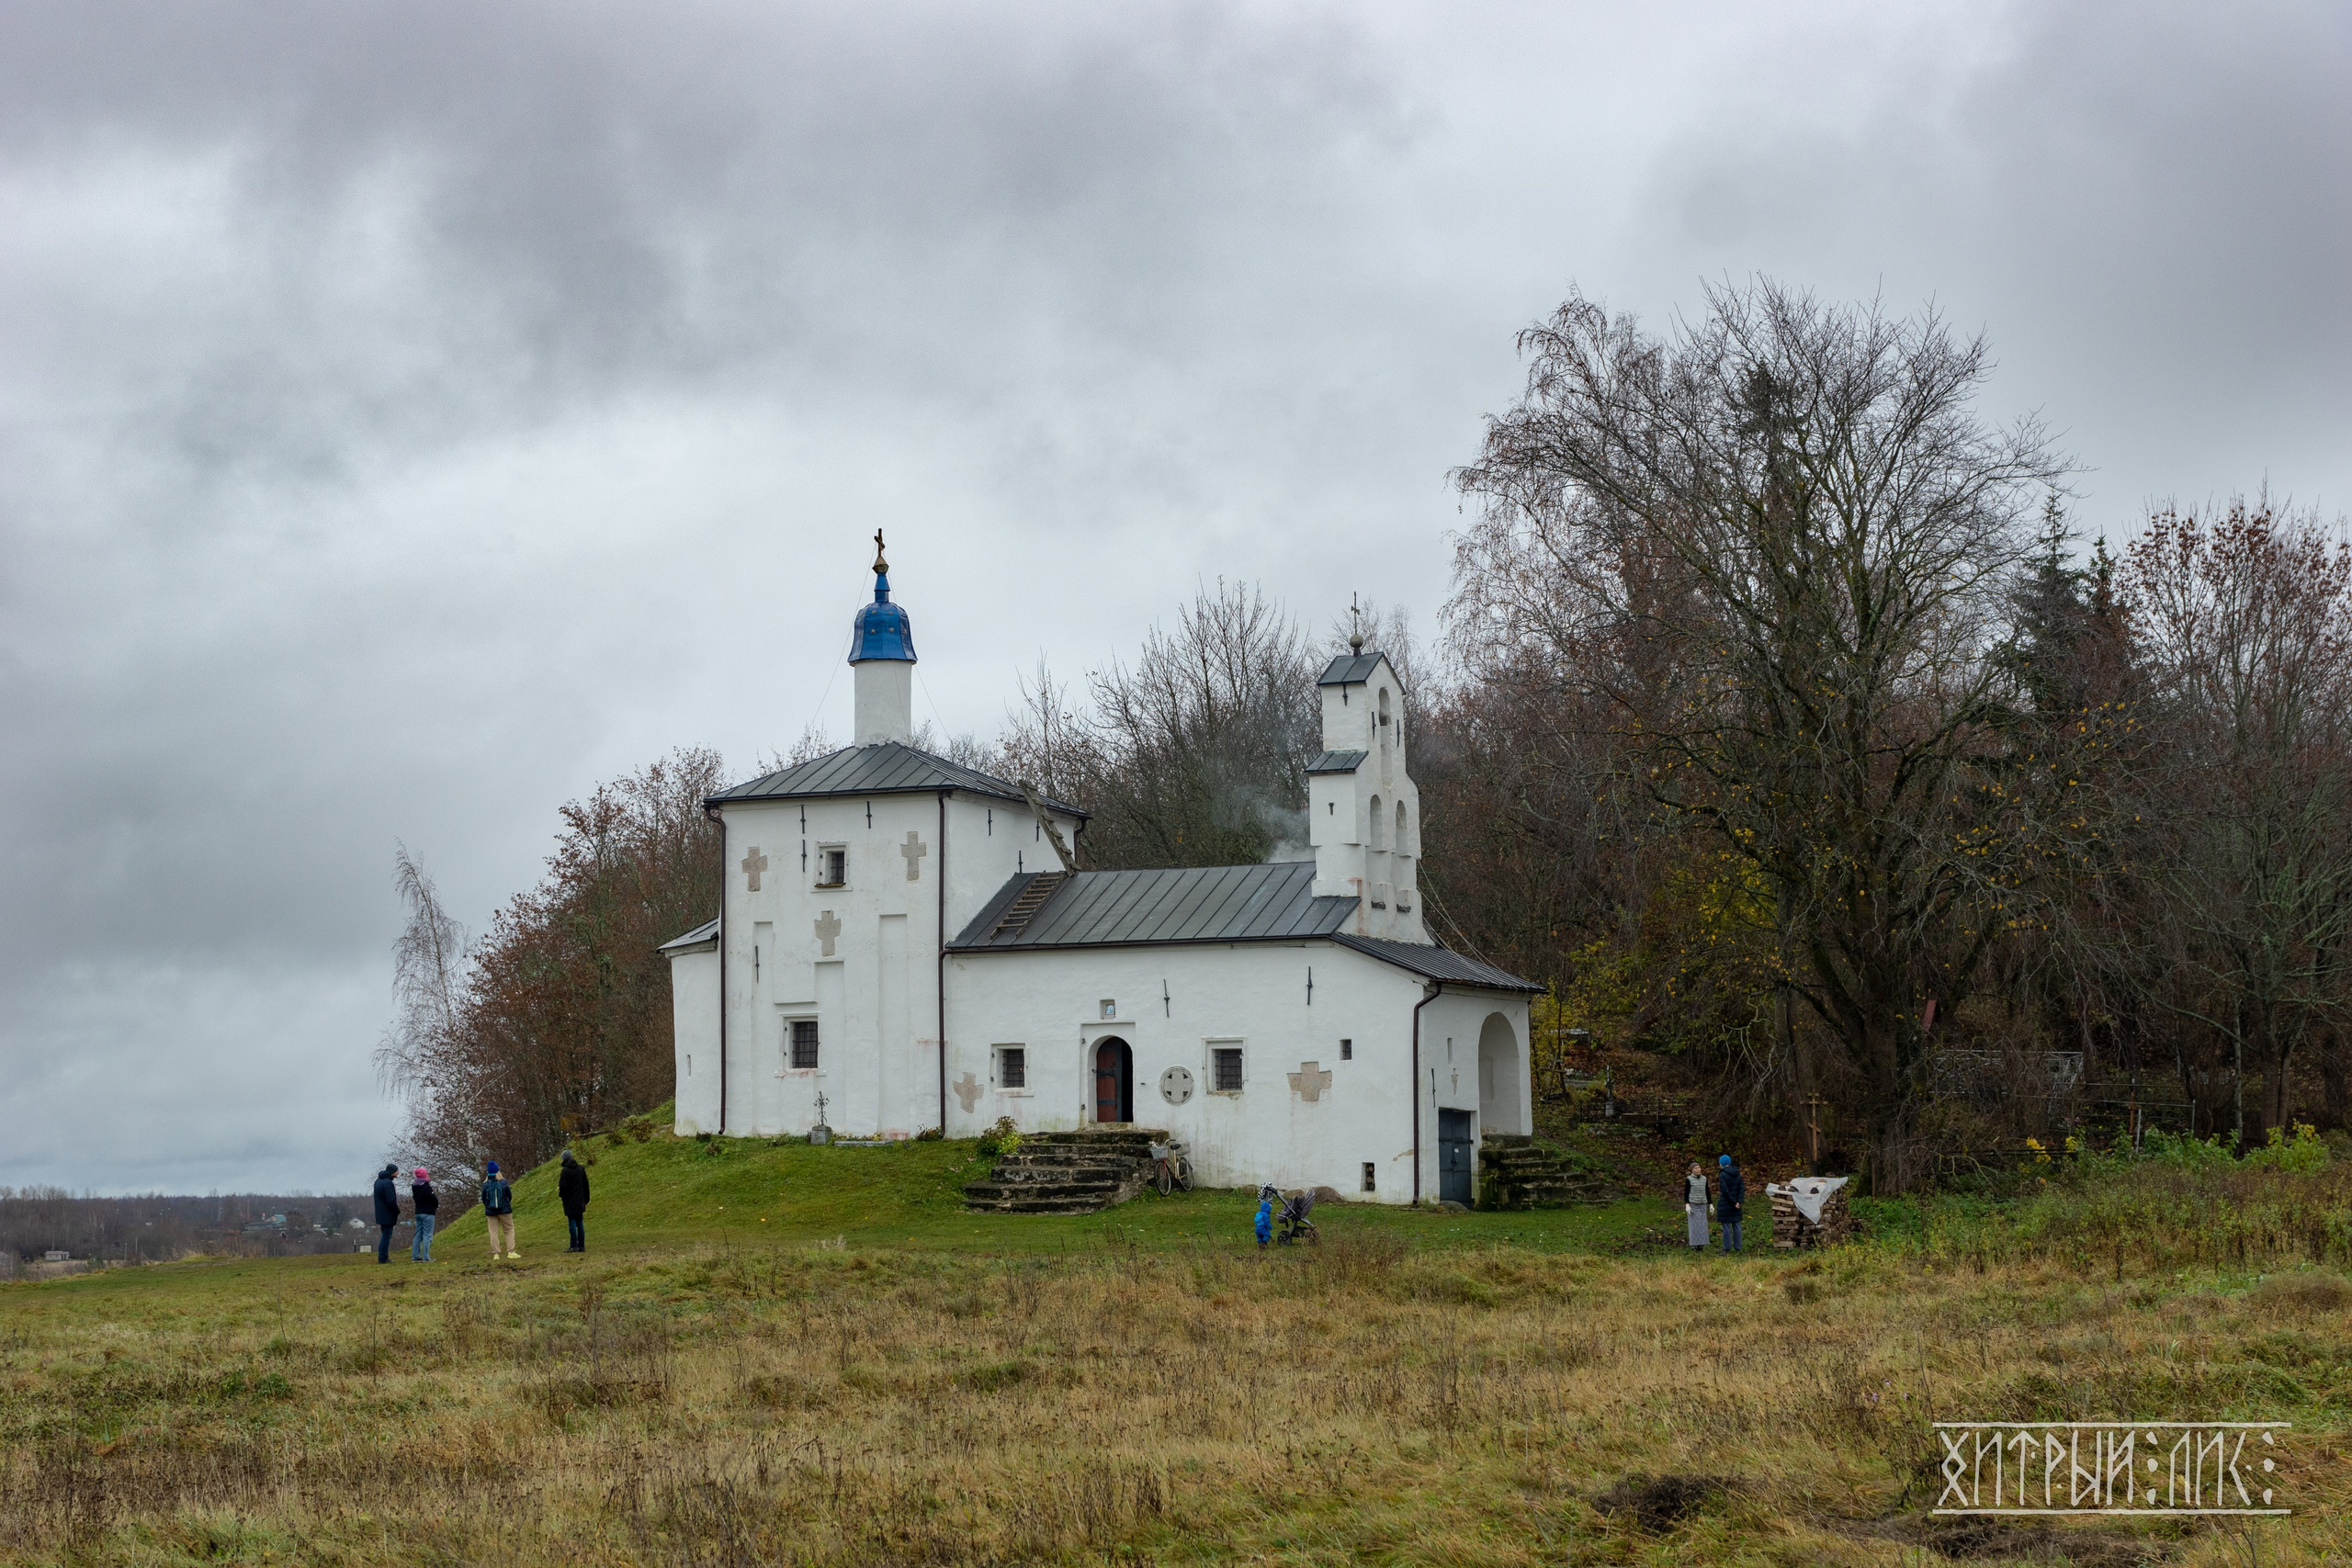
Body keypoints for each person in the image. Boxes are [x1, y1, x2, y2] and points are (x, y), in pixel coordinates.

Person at [481, 1160, 516, 1260]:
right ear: (498, 1171)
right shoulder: (503, 1182)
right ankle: (511, 1251)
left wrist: (488, 1206)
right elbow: (509, 1196)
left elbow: (484, 1199)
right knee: (509, 1230)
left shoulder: (485, 1184)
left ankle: (496, 1253)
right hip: (505, 1210)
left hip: (491, 1212)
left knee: (493, 1232)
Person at [558, 1149, 590, 1253]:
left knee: (572, 1222)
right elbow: (586, 1184)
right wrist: (586, 1199)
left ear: (564, 1159)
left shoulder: (565, 1171)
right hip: (580, 1200)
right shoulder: (580, 1168)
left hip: (570, 1201)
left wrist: (561, 1195)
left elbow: (563, 1187)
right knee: (580, 1223)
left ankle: (573, 1245)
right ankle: (581, 1245)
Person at [1715, 1153, 1746, 1253]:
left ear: (1721, 1164)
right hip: (1736, 1204)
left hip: (1726, 1204)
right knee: (1737, 1225)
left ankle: (1726, 1248)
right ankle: (1738, 1248)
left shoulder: (1723, 1174)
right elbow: (1741, 1188)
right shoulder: (1737, 1173)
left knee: (1726, 1227)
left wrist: (1733, 1202)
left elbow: (1725, 1191)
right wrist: (1738, 1202)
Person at [371, 1164, 400, 1264]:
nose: (398, 1173)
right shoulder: (388, 1183)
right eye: (396, 1171)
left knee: (385, 1234)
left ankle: (382, 1256)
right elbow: (391, 1201)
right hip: (387, 1213)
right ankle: (383, 1257)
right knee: (386, 1235)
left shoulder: (378, 1182)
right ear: (392, 1172)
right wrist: (397, 1210)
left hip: (381, 1212)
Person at [409, 1168, 438, 1262]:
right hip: (428, 1212)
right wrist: (436, 1205)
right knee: (427, 1235)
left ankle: (415, 1256)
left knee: (418, 1235)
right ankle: (426, 1257)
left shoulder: (414, 1186)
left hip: (418, 1212)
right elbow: (433, 1198)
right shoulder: (426, 1186)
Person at [1682, 1161, 1711, 1251]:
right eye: (1695, 1168)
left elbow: (1707, 1191)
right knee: (1694, 1226)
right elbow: (1686, 1193)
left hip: (1702, 1204)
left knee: (1702, 1226)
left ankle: (1701, 1244)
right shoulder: (1689, 1179)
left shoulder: (1704, 1179)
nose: (1698, 1169)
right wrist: (1687, 1204)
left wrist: (1710, 1204)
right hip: (1693, 1204)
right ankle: (1694, 1245)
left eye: (1699, 1167)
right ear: (1692, 1170)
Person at [1254, 1184, 1275, 1249]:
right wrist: (1270, 1227)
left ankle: (1259, 1244)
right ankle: (1264, 1243)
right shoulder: (1265, 1215)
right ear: (1268, 1209)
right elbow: (1266, 1222)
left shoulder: (1258, 1213)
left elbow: (1255, 1220)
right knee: (1267, 1235)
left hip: (1257, 1229)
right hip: (1262, 1228)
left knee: (1259, 1237)